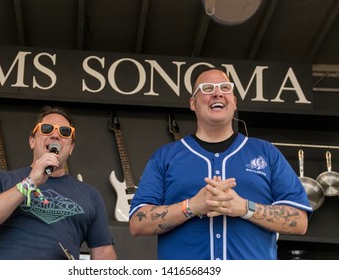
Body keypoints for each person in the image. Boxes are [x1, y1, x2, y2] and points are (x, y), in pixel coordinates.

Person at [129, 68, 312, 260]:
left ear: (234, 101)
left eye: (225, 88)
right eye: (207, 88)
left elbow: (299, 221)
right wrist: (191, 206)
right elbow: (137, 223)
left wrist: (244, 207)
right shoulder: (165, 157)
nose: (217, 93)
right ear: (193, 103)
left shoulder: (266, 153)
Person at [0, 105, 117, 260]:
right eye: (46, 129)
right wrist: (30, 182)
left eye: (65, 132)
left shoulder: (90, 195)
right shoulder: (0, 178)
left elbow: (103, 253)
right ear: (32, 141)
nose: (55, 136)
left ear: (71, 148)